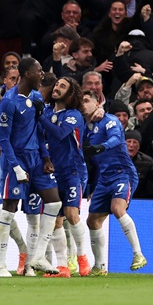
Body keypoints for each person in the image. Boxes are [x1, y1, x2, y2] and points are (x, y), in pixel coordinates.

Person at [0, 57, 62, 278]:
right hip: (16, 161)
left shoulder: (37, 97)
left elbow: (39, 130)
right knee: (8, 209)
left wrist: (46, 156)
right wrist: (16, 167)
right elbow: (3, 139)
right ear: (27, 74)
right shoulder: (9, 102)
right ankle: (0, 263)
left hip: (36, 160)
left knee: (54, 202)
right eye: (39, 70)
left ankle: (38, 257)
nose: (42, 74)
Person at [81, 89, 146, 275]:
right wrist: (91, 185)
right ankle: (100, 266)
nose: (83, 104)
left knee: (118, 208)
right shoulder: (86, 127)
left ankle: (138, 254)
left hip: (122, 173)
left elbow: (117, 139)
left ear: (98, 102)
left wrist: (100, 147)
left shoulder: (109, 120)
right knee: (92, 220)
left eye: (87, 101)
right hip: (104, 177)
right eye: (81, 102)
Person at [36, 76, 91, 278]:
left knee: (71, 214)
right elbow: (41, 138)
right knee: (55, 221)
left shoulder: (73, 115)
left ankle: (82, 257)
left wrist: (40, 116)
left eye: (63, 86)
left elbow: (59, 134)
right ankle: (62, 267)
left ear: (70, 94)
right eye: (57, 85)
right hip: (52, 171)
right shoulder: (49, 111)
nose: (57, 88)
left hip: (72, 171)